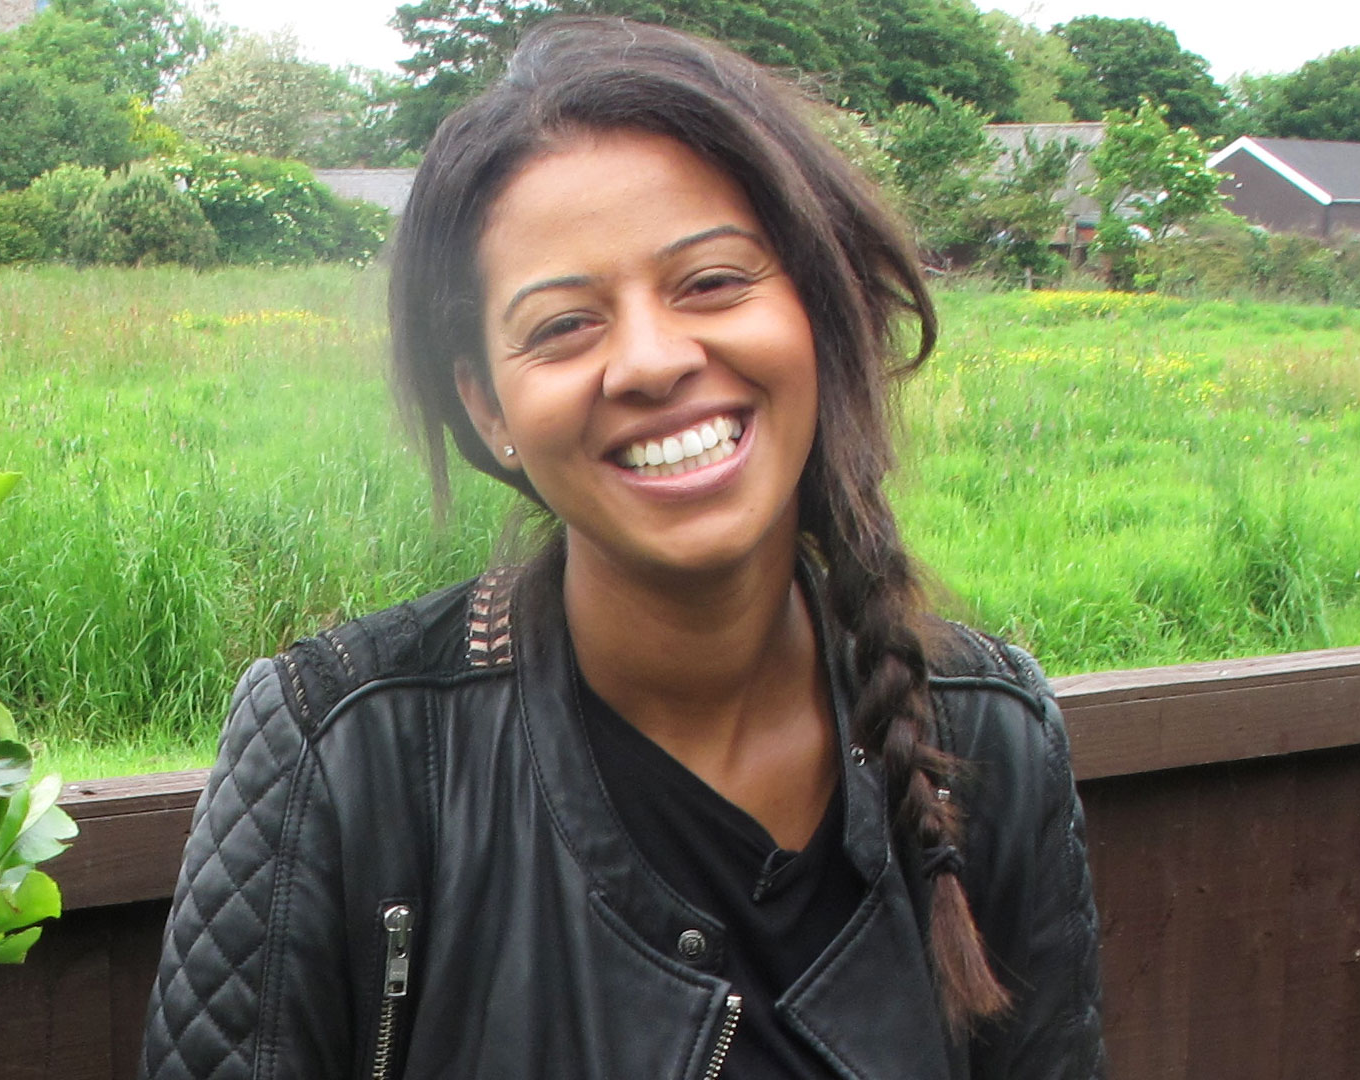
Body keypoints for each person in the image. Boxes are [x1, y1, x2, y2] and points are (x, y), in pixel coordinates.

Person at [139, 17, 1103, 1080]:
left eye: (712, 281)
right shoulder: (346, 749)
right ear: (486, 405)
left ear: (819, 309)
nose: (649, 361)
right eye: (563, 325)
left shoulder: (992, 736)